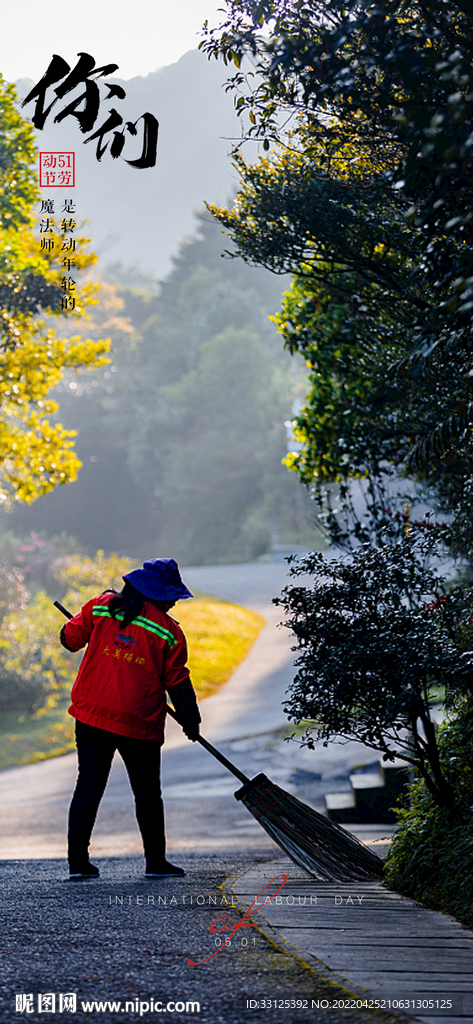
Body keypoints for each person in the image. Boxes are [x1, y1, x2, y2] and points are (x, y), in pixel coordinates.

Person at [60, 557, 201, 880]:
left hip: (92, 715)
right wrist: (191, 721)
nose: (175, 601)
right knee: (148, 793)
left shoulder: (100, 607)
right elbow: (177, 681)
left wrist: (76, 630)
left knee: (89, 786)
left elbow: (69, 641)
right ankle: (156, 863)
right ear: (160, 595)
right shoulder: (169, 633)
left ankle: (77, 864)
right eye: (172, 596)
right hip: (139, 723)